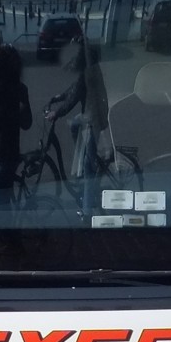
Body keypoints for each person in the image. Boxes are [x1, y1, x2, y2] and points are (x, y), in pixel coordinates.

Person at [45, 35, 109, 216]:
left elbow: (74, 97)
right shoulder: (88, 67)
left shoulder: (88, 72)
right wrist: (57, 97)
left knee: (88, 167)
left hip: (94, 118)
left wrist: (56, 113)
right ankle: (86, 155)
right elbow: (74, 88)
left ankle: (87, 211)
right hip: (89, 113)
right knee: (74, 125)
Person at [0, 43, 32, 254]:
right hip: (7, 151)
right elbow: (26, 122)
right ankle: (13, 240)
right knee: (4, 198)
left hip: (7, 153)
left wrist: (4, 111)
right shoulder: (18, 89)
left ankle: (11, 242)